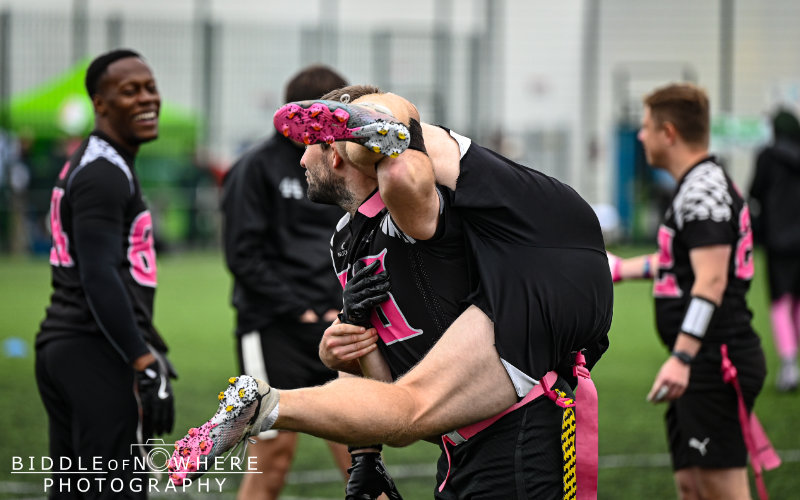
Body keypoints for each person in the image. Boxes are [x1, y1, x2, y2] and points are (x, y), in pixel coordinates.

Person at [171, 89, 612, 499]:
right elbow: (380, 386)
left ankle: (269, 405)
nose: (300, 160)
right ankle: (266, 405)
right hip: (462, 438)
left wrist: (374, 124)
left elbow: (402, 175)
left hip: (516, 425)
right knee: (405, 410)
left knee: (408, 411)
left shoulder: (407, 207)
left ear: (337, 152)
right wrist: (349, 348)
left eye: (310, 145)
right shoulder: (343, 241)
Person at [612, 83, 770, 500]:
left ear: (669, 132)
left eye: (646, 127)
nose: (641, 136)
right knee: (692, 484)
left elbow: (711, 279)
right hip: (703, 359)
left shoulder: (703, 190)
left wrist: (683, 356)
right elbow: (682, 263)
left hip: (714, 359)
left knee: (720, 488)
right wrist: (618, 269)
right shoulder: (697, 184)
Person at [35, 49, 175, 499]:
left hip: (74, 345)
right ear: (100, 103)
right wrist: (141, 358)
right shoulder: (103, 173)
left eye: (150, 88)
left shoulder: (102, 162)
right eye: (129, 91)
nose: (146, 99)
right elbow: (98, 275)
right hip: (92, 348)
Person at [220, 65, 351, 499]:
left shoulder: (340, 165)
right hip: (273, 328)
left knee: (362, 460)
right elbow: (242, 254)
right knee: (271, 460)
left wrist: (339, 306)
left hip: (336, 328)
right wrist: (300, 307)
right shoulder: (254, 168)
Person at [748, 108, 800, 392]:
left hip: (779, 241)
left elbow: (755, 191)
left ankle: (789, 366)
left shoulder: (768, 156)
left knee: (781, 301)